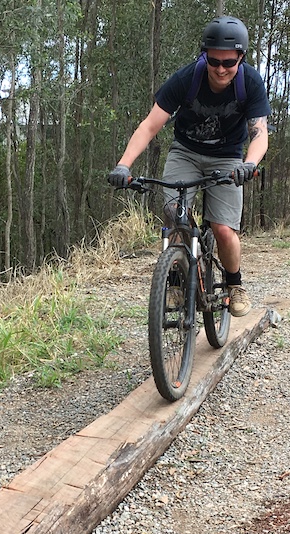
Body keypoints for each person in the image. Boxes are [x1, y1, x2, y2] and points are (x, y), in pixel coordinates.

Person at [108, 16, 271, 317]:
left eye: (229, 62)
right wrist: (123, 165)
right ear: (204, 56)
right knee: (174, 216)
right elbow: (149, 126)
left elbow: (260, 133)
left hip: (228, 157)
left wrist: (249, 163)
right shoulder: (186, 80)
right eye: (214, 61)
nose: (221, 69)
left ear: (241, 59)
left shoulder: (250, 82)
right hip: (186, 152)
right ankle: (175, 282)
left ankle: (234, 284)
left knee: (223, 229)